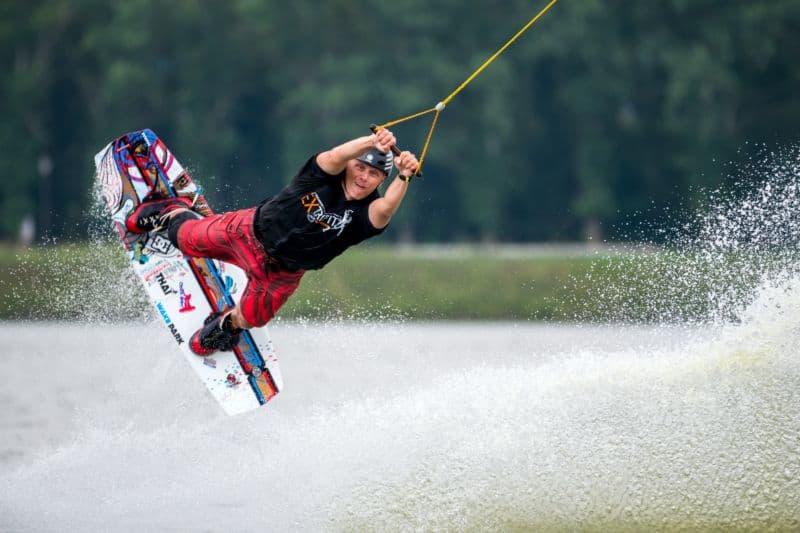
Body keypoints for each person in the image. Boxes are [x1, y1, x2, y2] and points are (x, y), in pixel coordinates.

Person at [126, 127, 419, 355]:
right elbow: (335, 155)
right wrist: (371, 141)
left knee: (254, 317)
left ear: (381, 181)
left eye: (374, 174)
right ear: (349, 166)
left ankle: (226, 325)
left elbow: (386, 208)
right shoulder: (319, 175)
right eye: (360, 168)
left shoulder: (365, 215)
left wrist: (404, 175)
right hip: (246, 233)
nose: (364, 177)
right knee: (185, 239)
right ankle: (169, 212)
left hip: (280, 274)